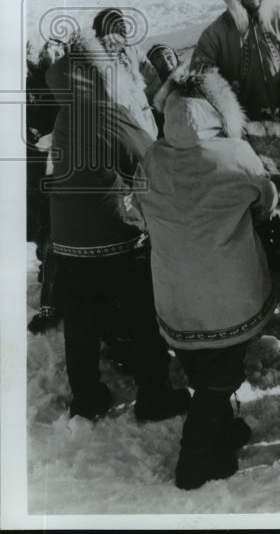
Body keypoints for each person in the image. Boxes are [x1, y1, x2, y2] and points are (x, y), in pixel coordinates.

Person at [133, 66, 279, 490]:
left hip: (174, 293)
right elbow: (266, 202)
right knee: (220, 377)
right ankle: (193, 461)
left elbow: (139, 211)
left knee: (200, 365)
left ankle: (221, 430)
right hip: (229, 292)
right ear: (220, 111)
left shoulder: (154, 157)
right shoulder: (235, 154)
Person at [45, 30, 189, 422]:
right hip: (114, 235)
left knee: (80, 324)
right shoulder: (107, 112)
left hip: (67, 239)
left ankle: (87, 399)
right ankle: (155, 394)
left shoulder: (64, 113)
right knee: (143, 315)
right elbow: (149, 157)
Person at [26, 38, 65, 334]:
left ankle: (52, 299)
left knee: (57, 232)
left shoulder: (70, 79)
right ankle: (50, 293)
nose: (54, 53)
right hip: (37, 171)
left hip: (64, 168)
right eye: (49, 50)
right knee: (46, 233)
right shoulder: (33, 81)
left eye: (59, 49)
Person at [92, 7, 158, 138]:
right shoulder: (96, 55)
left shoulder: (132, 50)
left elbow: (152, 77)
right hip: (118, 115)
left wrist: (151, 100)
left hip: (143, 110)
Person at [145, 43, 181, 136]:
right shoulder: (153, 98)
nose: (166, 62)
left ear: (176, 57)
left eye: (169, 57)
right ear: (153, 67)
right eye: (159, 60)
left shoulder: (195, 77)